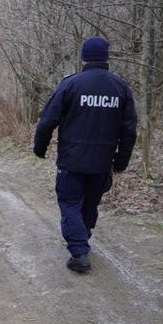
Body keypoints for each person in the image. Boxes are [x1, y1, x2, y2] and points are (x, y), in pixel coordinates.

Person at [33, 37, 137, 273]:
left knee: (70, 203)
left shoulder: (70, 84)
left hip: (71, 160)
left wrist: (40, 148)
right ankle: (82, 237)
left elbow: (47, 120)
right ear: (106, 58)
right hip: (102, 162)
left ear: (84, 57)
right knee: (89, 204)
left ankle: (79, 252)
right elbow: (129, 130)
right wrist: (121, 161)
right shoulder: (120, 88)